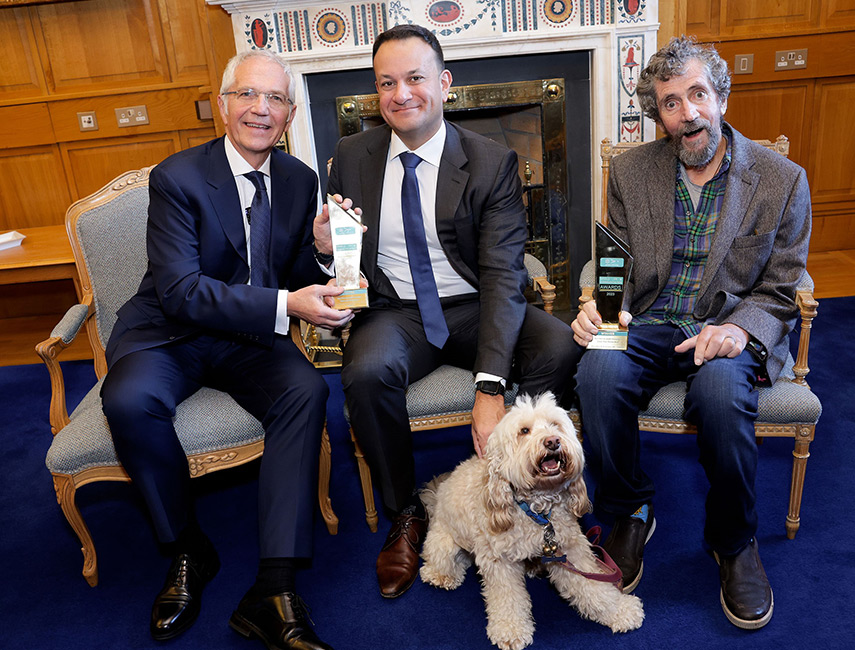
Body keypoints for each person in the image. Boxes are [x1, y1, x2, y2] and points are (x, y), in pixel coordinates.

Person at [317, 24, 583, 599]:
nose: (401, 94)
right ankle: (407, 512)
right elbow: (340, 263)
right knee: (365, 374)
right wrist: (323, 251)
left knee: (560, 344)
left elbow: (502, 276)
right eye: (387, 83)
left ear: (444, 83)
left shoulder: (491, 162)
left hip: (473, 303)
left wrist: (490, 388)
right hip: (396, 310)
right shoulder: (350, 155)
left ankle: (523, 481)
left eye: (415, 78)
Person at [100, 50, 351, 650]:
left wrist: (318, 252)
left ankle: (275, 585)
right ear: (223, 103)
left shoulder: (299, 179)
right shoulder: (178, 177)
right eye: (247, 95)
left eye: (275, 100)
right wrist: (288, 306)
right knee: (129, 401)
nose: (260, 110)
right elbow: (182, 291)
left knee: (306, 390)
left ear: (289, 114)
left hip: (248, 338)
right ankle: (188, 548)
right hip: (170, 332)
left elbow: (284, 270)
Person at [571, 36, 811, 630]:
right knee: (596, 367)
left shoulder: (781, 180)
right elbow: (613, 263)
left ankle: (733, 542)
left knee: (720, 396)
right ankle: (629, 512)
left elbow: (783, 287)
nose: (687, 114)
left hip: (726, 329)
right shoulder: (632, 171)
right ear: (660, 115)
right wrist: (601, 307)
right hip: (652, 320)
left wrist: (738, 331)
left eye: (697, 95)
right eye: (671, 103)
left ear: (720, 96)